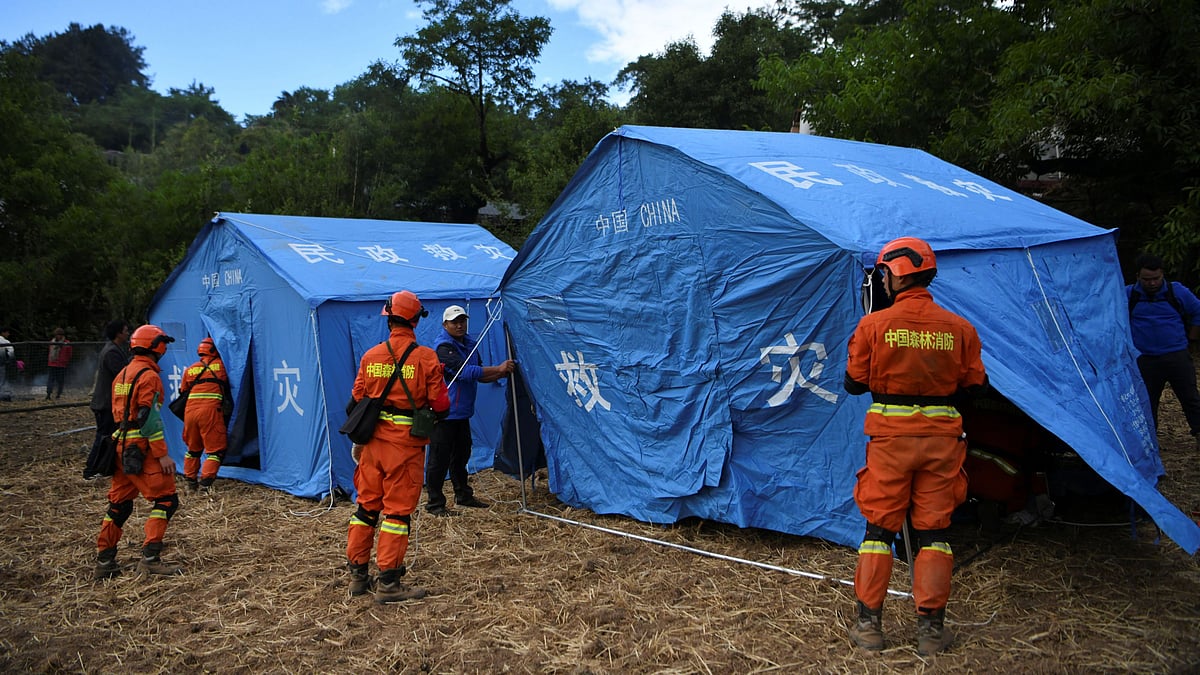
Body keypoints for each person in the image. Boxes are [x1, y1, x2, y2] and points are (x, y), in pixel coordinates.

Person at [842, 237, 988, 656]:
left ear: (895, 274)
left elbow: (853, 383)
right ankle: (931, 631)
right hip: (942, 443)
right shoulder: (960, 329)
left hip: (891, 443)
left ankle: (869, 626)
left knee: (878, 531)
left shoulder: (873, 326)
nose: (882, 280)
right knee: (935, 533)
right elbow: (977, 385)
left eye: (883, 273)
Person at [345, 290, 450, 603]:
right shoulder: (426, 358)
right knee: (396, 514)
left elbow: (355, 401)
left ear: (388, 318)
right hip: (404, 447)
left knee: (365, 508)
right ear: (416, 320)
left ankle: (358, 576)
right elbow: (441, 405)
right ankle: (389, 582)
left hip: (371, 447)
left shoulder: (371, 356)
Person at [94, 324, 182, 579]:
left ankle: (105, 560)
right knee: (166, 499)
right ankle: (151, 557)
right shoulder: (149, 376)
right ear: (155, 346)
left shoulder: (123, 374)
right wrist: (162, 454)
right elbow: (148, 417)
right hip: (140, 449)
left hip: (120, 446)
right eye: (162, 343)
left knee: (119, 505)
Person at [424, 305, 515, 516]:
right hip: (443, 414)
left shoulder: (470, 344)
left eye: (462, 320)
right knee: (439, 459)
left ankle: (463, 495)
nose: (459, 325)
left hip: (463, 413)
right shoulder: (443, 348)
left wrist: (503, 373)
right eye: (454, 321)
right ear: (445, 324)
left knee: (461, 455)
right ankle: (435, 504)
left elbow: (480, 375)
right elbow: (465, 372)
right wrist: (498, 369)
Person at [1126, 253, 1200, 450]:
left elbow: (1197, 311)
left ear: (1162, 275)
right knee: (1147, 401)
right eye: (1146, 279)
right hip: (1144, 358)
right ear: (1138, 277)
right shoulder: (1129, 294)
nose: (1151, 283)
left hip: (1176, 354)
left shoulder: (1177, 292)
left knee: (1190, 397)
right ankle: (1149, 442)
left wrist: (1192, 340)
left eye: (1156, 279)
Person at [180, 337, 230, 492]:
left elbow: (183, 391)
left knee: (193, 449)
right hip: (209, 412)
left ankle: (190, 481)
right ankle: (206, 483)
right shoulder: (221, 366)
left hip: (189, 412)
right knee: (216, 450)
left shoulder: (190, 369)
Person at [84, 320, 130, 480]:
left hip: (105, 402)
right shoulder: (112, 352)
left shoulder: (113, 349)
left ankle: (101, 468)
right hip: (105, 403)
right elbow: (123, 375)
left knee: (106, 436)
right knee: (103, 437)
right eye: (125, 330)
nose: (128, 333)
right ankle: (90, 470)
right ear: (118, 333)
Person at [46, 327, 73, 400]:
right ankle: (48, 394)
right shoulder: (52, 342)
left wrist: (66, 361)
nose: (58, 336)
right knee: (51, 380)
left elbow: (69, 354)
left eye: (60, 334)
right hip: (52, 364)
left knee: (60, 380)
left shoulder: (67, 343)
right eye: (57, 334)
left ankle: (58, 394)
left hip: (62, 365)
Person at [0, 326, 12, 402]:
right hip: (1, 364)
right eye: (7, 332)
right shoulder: (6, 342)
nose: (9, 334)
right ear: (3, 332)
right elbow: (11, 354)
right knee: (1, 380)